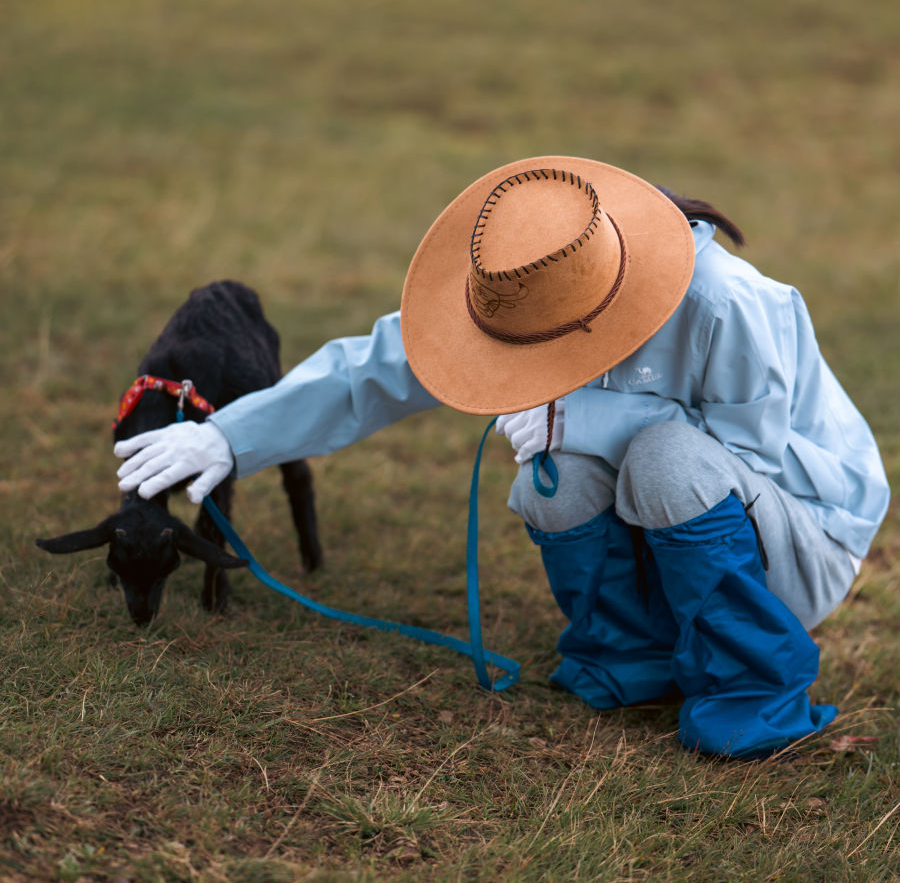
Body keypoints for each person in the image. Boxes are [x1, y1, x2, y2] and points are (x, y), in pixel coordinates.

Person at [115, 156, 890, 758]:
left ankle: (752, 693)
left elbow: (752, 457)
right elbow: (374, 370)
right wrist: (228, 434)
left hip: (800, 544)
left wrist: (587, 415)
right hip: (679, 524)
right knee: (555, 480)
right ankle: (636, 660)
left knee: (660, 457)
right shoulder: (525, 281)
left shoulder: (728, 302)